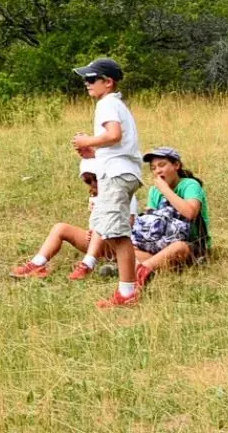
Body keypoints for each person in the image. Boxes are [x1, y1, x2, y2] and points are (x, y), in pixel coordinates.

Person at [70, 57, 145, 309]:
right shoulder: (115, 104)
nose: (87, 83)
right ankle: (126, 289)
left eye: (92, 79)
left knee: (118, 234)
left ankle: (127, 293)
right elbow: (119, 144)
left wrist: (87, 141)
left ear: (108, 82)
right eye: (85, 79)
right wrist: (95, 153)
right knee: (110, 229)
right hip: (121, 171)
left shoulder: (107, 104)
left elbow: (114, 135)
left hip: (116, 175)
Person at [10, 158, 112, 280]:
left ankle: (88, 265)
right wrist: (93, 232)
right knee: (60, 228)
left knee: (99, 231)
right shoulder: (95, 197)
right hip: (98, 243)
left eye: (96, 178)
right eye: (88, 181)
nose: (93, 184)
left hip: (116, 244)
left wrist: (99, 232)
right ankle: (37, 264)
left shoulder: (118, 194)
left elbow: (126, 226)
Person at [133, 147, 210, 288]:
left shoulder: (190, 185)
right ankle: (153, 267)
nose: (157, 171)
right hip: (160, 245)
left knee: (178, 247)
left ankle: (141, 270)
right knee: (128, 248)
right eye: (153, 168)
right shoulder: (154, 191)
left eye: (162, 165)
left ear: (176, 165)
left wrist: (165, 190)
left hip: (190, 244)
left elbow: (191, 213)